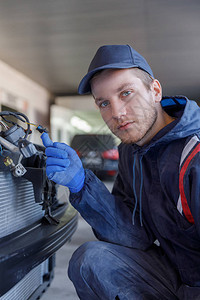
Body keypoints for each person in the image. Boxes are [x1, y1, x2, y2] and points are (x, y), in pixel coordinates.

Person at [41, 45, 200, 299]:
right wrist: (81, 185)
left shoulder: (194, 153)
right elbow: (134, 235)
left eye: (126, 93)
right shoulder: (131, 152)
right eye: (104, 103)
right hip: (174, 275)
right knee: (90, 260)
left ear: (155, 91)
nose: (116, 113)